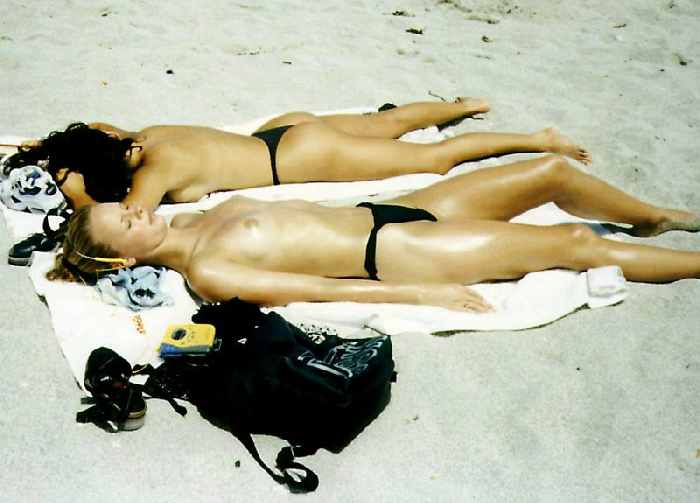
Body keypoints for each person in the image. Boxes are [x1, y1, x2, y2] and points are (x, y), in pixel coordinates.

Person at [48, 155, 700, 312]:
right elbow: (315, 290)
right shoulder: (207, 271)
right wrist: (421, 295)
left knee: (551, 171)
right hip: (397, 251)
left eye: (126, 207)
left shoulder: (190, 216)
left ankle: (652, 217)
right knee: (577, 246)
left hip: (399, 207)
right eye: (126, 222)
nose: (137, 211)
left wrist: (78, 196)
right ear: (120, 259)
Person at [6, 98, 589, 210]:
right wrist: (48, 147)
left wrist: (76, 194)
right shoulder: (147, 136)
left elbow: (122, 223)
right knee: (383, 124)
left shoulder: (156, 173)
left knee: (434, 161)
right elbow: (96, 128)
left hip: (299, 160)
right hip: (279, 132)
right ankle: (462, 104)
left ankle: (539, 141)